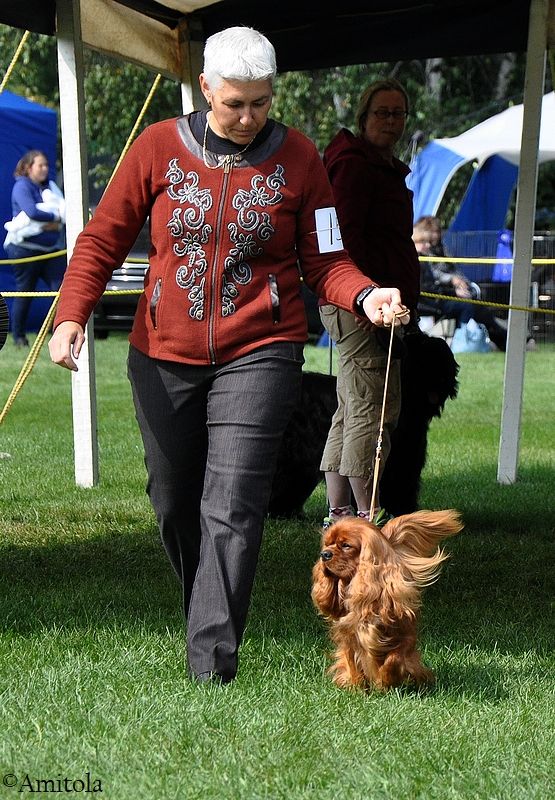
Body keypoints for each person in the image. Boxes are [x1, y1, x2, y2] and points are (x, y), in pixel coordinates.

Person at [48, 27, 410, 685]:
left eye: (260, 103)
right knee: (173, 501)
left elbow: (327, 259)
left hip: (260, 350)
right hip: (161, 353)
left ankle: (210, 663)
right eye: (234, 103)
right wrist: (72, 314)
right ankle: (204, 607)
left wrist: (365, 294)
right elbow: (102, 239)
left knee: (234, 503)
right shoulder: (157, 146)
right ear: (205, 88)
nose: (248, 117)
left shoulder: (300, 158)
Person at [319, 78, 421, 529]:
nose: (391, 121)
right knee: (374, 410)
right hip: (364, 304)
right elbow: (344, 240)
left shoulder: (376, 165)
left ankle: (340, 513)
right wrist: (366, 297)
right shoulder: (355, 168)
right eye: (382, 112)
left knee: (351, 406)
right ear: (363, 117)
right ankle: (367, 519)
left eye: (398, 113)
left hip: (366, 301)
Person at [413, 215, 508, 350]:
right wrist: (453, 287)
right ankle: (466, 339)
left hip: (442, 294)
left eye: (437, 232)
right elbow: (429, 285)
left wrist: (463, 283)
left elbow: (453, 269)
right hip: (433, 300)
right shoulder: (420, 259)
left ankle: (499, 338)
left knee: (478, 307)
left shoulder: (440, 249)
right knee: (467, 307)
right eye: (432, 233)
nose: (434, 237)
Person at [4, 150, 66, 347]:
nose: (45, 169)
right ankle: (19, 338)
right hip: (24, 250)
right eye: (40, 165)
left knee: (62, 289)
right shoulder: (21, 186)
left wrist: (57, 218)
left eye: (46, 165)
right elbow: (31, 212)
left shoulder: (50, 187)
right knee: (26, 292)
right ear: (28, 168)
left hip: (50, 250)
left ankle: (60, 334)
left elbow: (64, 209)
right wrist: (55, 217)